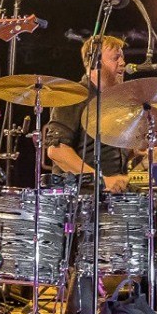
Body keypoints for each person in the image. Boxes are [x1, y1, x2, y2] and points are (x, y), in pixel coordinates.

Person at [42, 34, 134, 194]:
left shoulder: (116, 103)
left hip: (113, 198)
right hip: (80, 198)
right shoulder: (74, 96)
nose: (123, 63)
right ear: (95, 63)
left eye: (123, 58)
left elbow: (102, 154)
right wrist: (100, 179)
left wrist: (132, 151)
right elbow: (56, 151)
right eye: (116, 58)